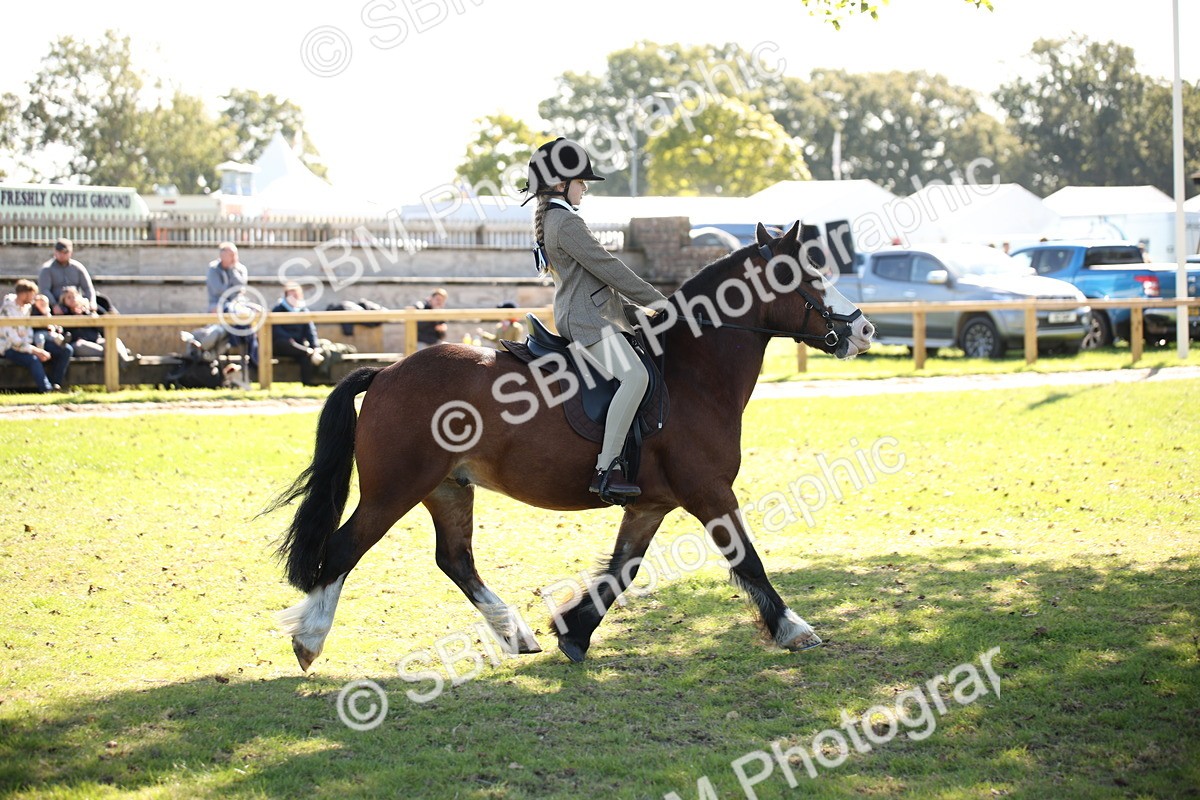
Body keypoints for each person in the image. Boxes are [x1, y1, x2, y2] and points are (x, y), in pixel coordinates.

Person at [522, 137, 669, 500]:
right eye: (580, 181)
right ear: (560, 183)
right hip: (588, 321)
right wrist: (660, 303)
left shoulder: (556, 218)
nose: (585, 187)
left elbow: (593, 281)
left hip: (591, 313)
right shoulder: (565, 222)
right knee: (635, 377)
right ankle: (607, 468)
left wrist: (635, 311)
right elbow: (608, 268)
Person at [0, 279, 73, 392]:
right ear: (24, 294)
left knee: (66, 350)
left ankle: (55, 384)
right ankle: (46, 389)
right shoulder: (7, 311)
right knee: (33, 360)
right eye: (32, 294)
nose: (33, 298)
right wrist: (36, 351)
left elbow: (32, 329)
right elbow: (14, 341)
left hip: (29, 343)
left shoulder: (28, 308)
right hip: (9, 347)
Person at [205, 241, 258, 366]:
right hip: (218, 304)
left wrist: (233, 270)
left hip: (238, 305)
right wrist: (233, 289)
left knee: (254, 312)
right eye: (231, 255)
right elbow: (218, 290)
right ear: (222, 256)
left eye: (235, 254)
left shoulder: (240, 269)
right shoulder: (213, 269)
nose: (234, 257)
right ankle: (238, 340)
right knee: (233, 312)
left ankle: (252, 353)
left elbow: (241, 286)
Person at [271, 282, 325, 386]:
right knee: (287, 343)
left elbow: (310, 331)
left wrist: (315, 346)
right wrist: (290, 339)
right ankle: (308, 352)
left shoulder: (303, 310)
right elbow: (276, 332)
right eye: (291, 294)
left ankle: (308, 383)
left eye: (296, 294)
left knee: (305, 356)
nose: (294, 297)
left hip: (299, 346)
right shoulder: (278, 309)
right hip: (283, 345)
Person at [38, 238, 96, 307]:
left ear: (71, 253)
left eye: (65, 252)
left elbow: (88, 288)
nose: (62, 255)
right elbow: (44, 290)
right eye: (59, 252)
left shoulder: (78, 267)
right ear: (55, 252)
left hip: (77, 305)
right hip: (56, 305)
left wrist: (92, 302)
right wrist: (54, 305)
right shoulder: (47, 269)